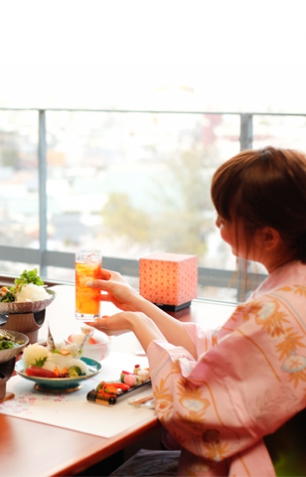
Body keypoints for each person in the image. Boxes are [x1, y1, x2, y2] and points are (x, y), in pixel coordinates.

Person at [91, 147, 306, 476]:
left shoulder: (279, 310)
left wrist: (139, 324)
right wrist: (136, 302)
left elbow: (193, 409)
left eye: (225, 218)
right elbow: (218, 351)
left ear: (268, 236)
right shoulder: (293, 284)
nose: (217, 225)